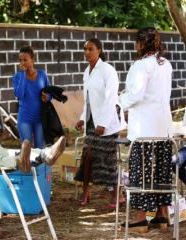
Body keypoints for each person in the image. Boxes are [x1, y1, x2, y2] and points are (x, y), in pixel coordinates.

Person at [119, 27, 173, 232]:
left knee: (141, 172)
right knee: (161, 172)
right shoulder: (165, 64)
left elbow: (134, 96)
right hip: (163, 128)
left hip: (143, 130)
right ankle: (161, 216)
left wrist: (119, 100)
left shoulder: (140, 66)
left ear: (141, 44)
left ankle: (141, 219)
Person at [74, 38, 125, 208]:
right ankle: (85, 191)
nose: (87, 52)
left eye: (90, 49)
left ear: (99, 50)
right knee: (87, 157)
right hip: (90, 122)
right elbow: (87, 100)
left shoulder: (107, 70)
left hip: (107, 123)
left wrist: (102, 123)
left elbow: (111, 99)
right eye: (85, 49)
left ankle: (116, 194)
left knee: (107, 161)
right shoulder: (86, 72)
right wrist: (82, 118)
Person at [12, 46, 50, 149]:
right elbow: (19, 94)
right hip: (25, 118)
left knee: (40, 148)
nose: (22, 62)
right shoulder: (17, 77)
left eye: (25, 60)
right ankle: (26, 166)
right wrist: (24, 74)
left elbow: (50, 93)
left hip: (40, 118)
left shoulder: (42, 75)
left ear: (32, 60)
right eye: (20, 60)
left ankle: (40, 166)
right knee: (26, 148)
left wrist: (47, 97)